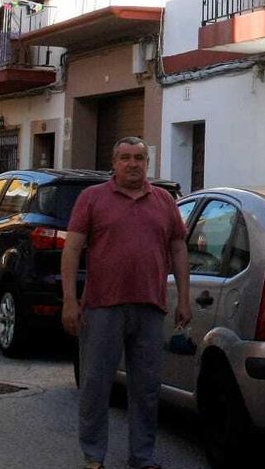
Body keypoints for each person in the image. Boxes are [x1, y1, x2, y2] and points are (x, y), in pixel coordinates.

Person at [61, 137, 191, 469]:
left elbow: (178, 250)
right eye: (125, 158)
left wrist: (184, 300)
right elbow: (72, 250)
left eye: (139, 158)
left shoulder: (163, 201)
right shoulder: (92, 198)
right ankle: (94, 456)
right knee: (95, 384)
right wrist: (69, 301)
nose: (133, 164)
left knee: (147, 389)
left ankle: (141, 456)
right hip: (102, 306)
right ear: (114, 163)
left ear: (148, 163)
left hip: (150, 305)